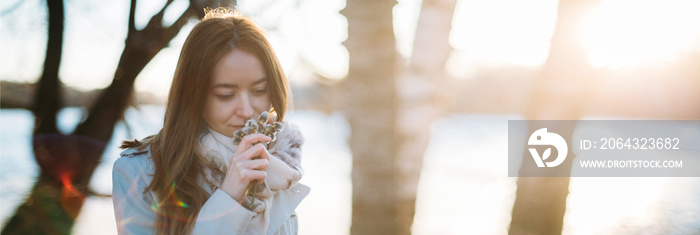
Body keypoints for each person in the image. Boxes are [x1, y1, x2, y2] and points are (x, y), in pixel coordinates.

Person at [112, 7, 309, 235]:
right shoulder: (139, 173)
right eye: (225, 95)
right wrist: (228, 198)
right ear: (193, 96)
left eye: (259, 90)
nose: (247, 111)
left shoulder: (280, 164)